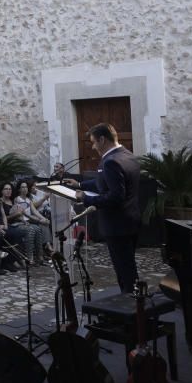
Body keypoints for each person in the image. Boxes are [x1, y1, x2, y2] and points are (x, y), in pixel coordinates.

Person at [63, 123, 141, 293]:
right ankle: (135, 304)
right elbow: (106, 181)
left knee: (125, 271)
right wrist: (81, 184)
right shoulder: (127, 155)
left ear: (102, 139)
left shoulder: (110, 161)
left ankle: (132, 308)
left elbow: (115, 197)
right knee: (128, 267)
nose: (93, 146)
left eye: (94, 142)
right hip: (131, 221)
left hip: (117, 225)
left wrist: (86, 198)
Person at [0, 182, 43, 265]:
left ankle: (39, 256)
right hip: (10, 225)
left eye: (10, 189)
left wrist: (23, 221)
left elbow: (21, 213)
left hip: (18, 223)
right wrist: (17, 216)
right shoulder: (1, 201)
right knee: (30, 229)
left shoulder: (12, 200)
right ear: (1, 191)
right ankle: (29, 258)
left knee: (37, 228)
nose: (8, 191)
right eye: (6, 189)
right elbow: (3, 217)